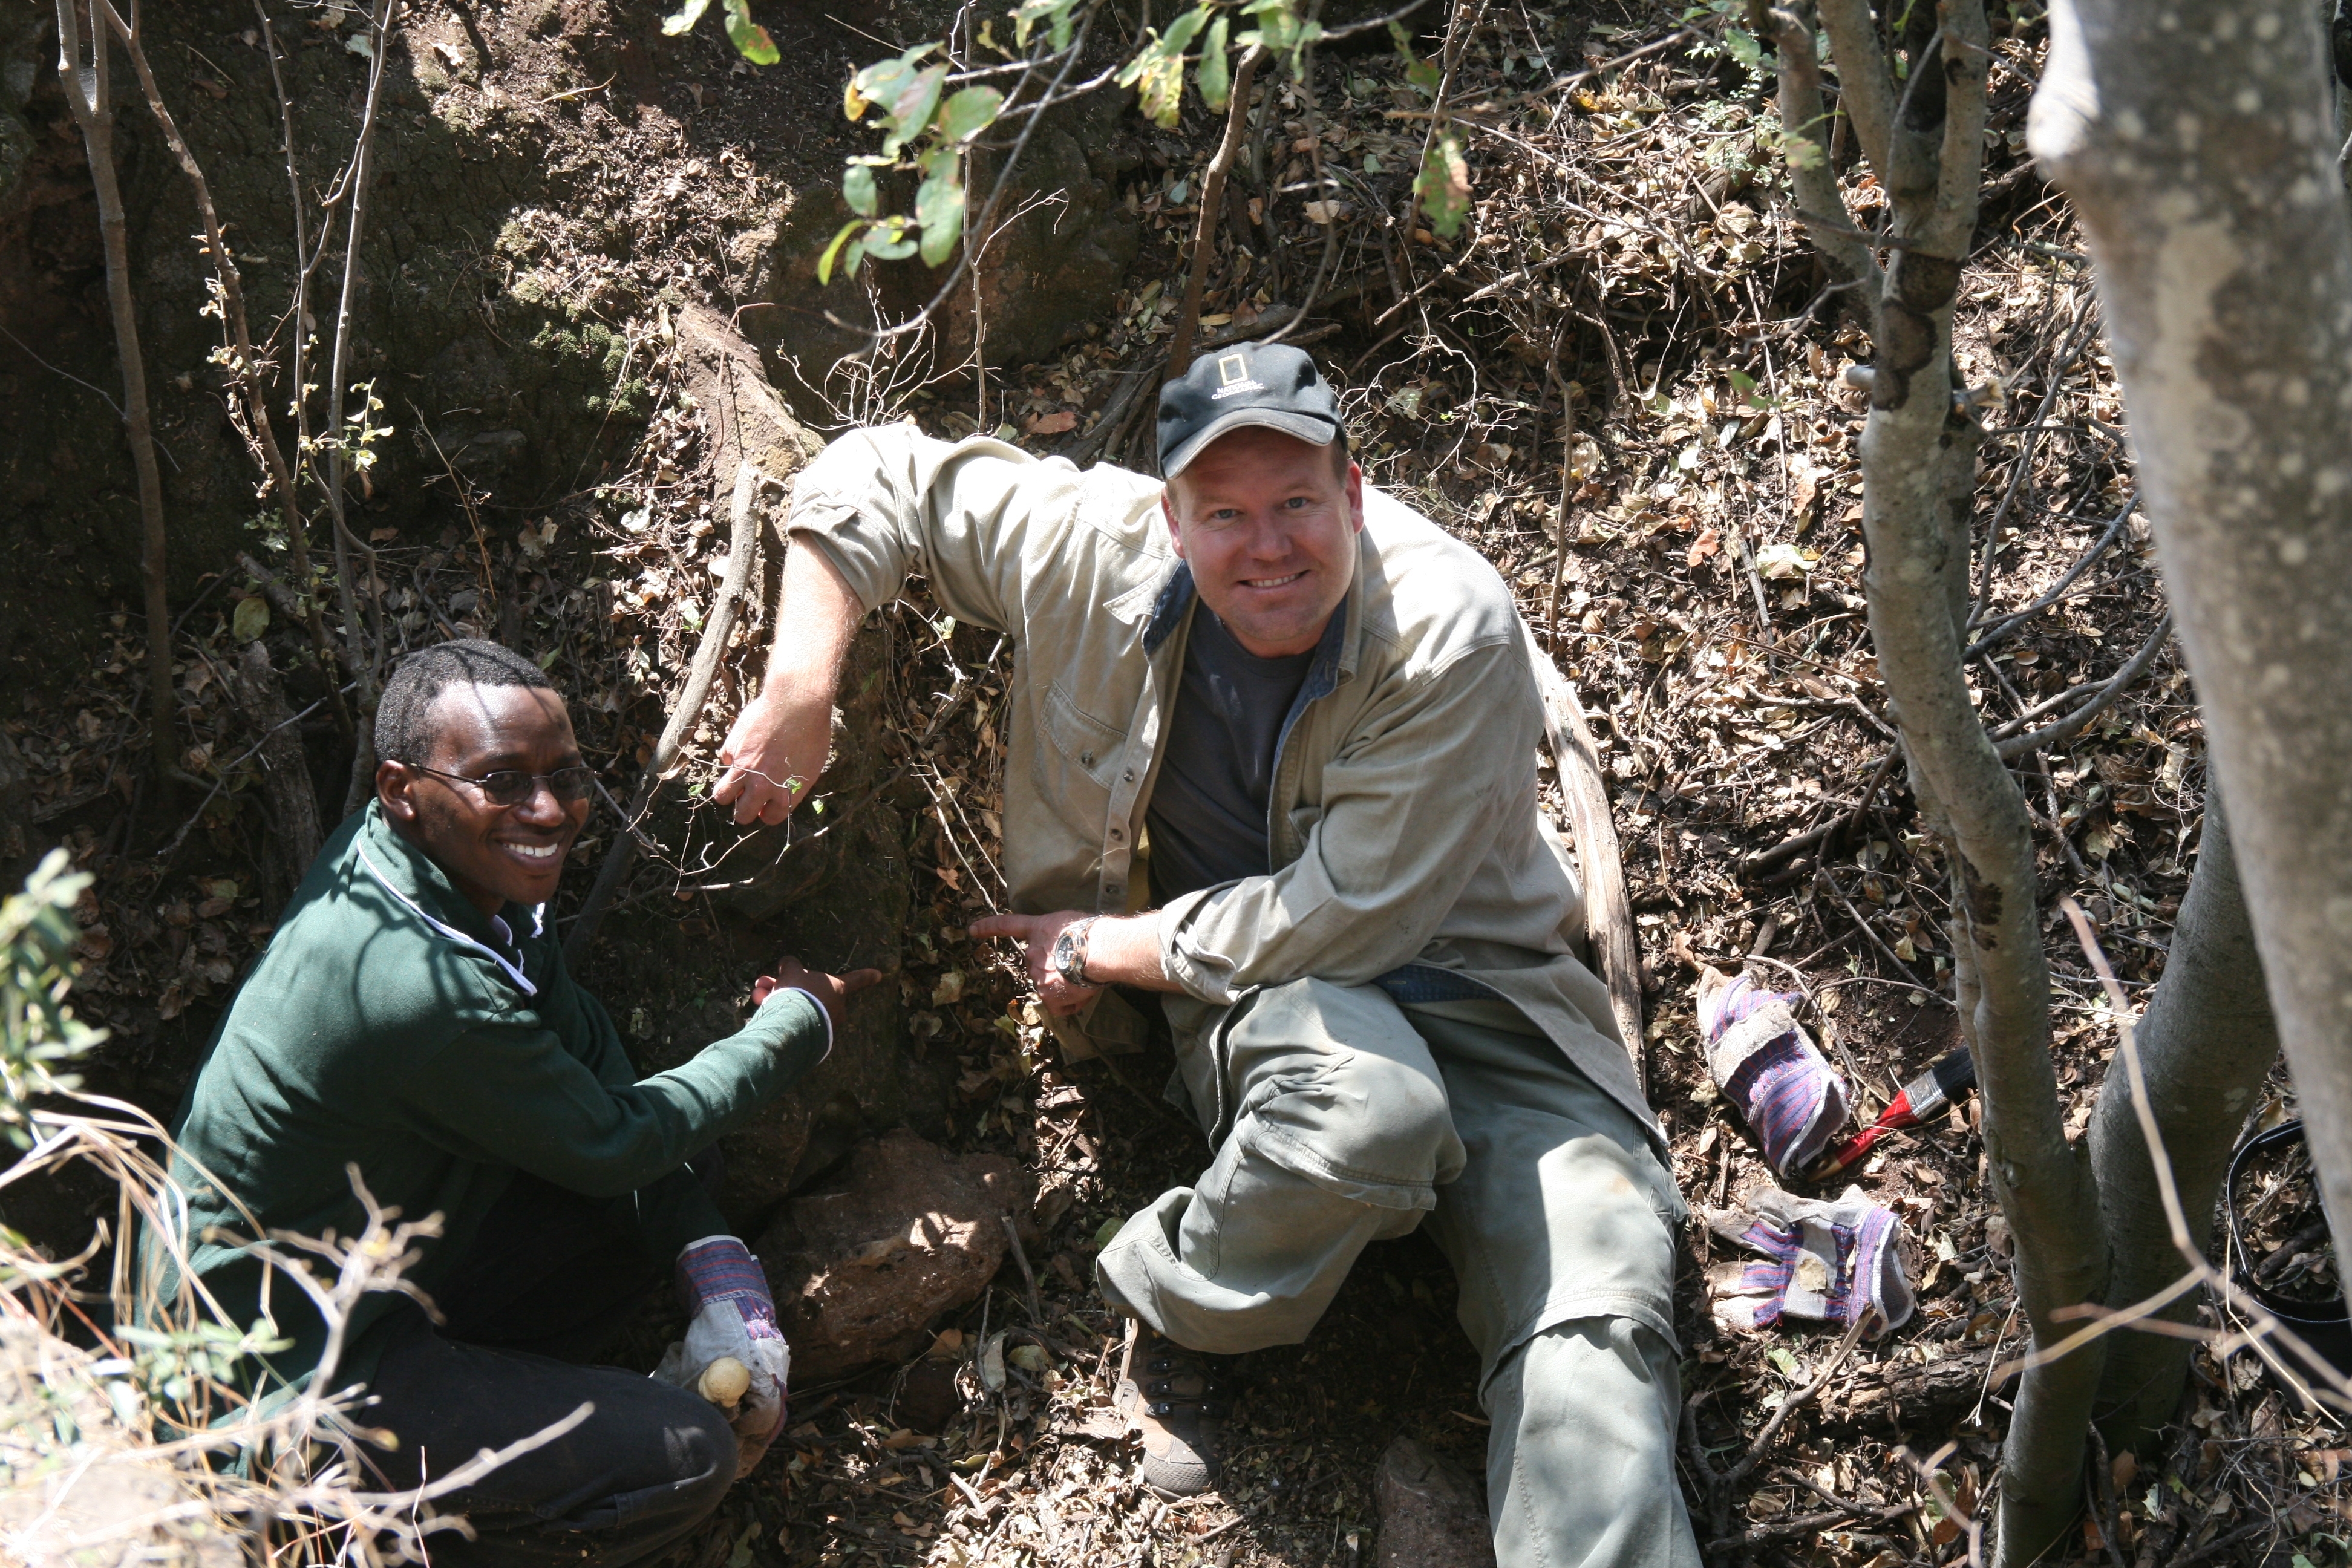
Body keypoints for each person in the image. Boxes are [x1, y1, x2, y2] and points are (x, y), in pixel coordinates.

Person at [712, 344, 1700, 1567]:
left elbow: (1352, 914)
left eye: (1296, 503)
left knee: (1602, 1313)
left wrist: (1106, 944)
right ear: (1171, 520)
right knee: (1368, 1115)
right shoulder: (1095, 549)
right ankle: (1188, 1315)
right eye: (1224, 513)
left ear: (1355, 492)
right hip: (1268, 1003)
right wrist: (803, 682)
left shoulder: (1446, 626)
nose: (1267, 547)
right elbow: (874, 474)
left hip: (1482, 994)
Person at [145, 639, 878, 1567]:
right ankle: (351, 1527)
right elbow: (612, 1139)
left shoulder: (447, 873)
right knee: (686, 1460)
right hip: (274, 1382)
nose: (549, 809)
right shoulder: (411, 983)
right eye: (502, 781)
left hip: (368, 1283)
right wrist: (797, 1025)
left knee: (676, 1178)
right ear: (402, 788)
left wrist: (715, 1268)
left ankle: (495, 1433)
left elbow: (584, 1052)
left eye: (563, 773)